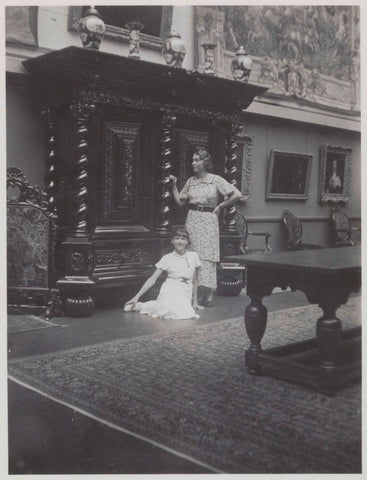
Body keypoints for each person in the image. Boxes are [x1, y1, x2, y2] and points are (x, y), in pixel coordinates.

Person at [169, 149, 241, 307]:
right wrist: (174, 186)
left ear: (205, 162)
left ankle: (207, 296)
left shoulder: (215, 180)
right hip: (192, 219)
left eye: (196, 160)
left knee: (207, 257)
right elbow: (181, 202)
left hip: (208, 220)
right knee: (191, 255)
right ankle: (193, 295)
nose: (193, 163)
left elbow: (237, 194)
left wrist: (221, 205)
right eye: (193, 160)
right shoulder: (190, 181)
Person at [124, 228, 201, 320]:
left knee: (182, 311)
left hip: (185, 291)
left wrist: (195, 301)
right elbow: (152, 279)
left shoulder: (194, 256)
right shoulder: (167, 258)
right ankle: (137, 305)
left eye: (183, 239)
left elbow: (195, 281)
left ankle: (142, 306)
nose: (180, 242)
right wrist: (136, 297)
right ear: (172, 241)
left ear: (187, 242)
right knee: (166, 309)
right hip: (170, 287)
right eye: (177, 238)